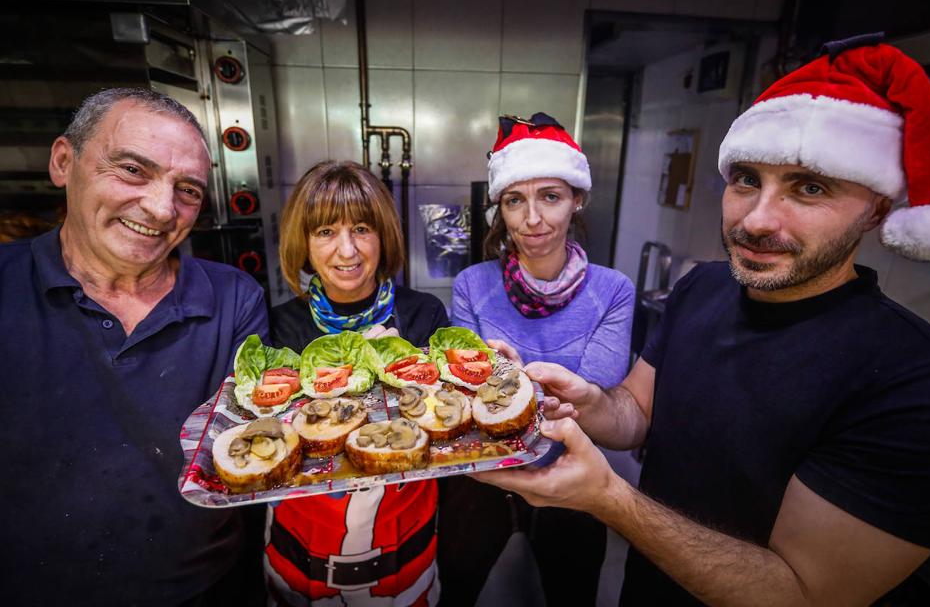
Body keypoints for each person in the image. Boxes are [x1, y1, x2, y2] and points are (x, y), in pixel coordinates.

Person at [474, 40, 930, 605]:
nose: (758, 220)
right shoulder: (703, 288)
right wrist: (591, 402)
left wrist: (609, 499)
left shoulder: (928, 390)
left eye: (809, 187)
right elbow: (638, 414)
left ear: (878, 208)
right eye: (746, 179)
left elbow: (804, 593)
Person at [0, 88, 269, 605]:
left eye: (188, 190)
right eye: (132, 170)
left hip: (209, 588)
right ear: (63, 162)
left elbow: (251, 444)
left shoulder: (234, 298)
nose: (162, 207)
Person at [440, 113, 635, 606]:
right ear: (499, 210)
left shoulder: (613, 292)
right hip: (483, 471)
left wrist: (503, 375)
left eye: (550, 196)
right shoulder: (471, 286)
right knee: (458, 587)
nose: (533, 219)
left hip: (574, 473)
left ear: (577, 199)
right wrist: (480, 378)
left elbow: (592, 390)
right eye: (514, 200)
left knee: (572, 591)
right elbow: (465, 390)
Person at [263, 160, 450, 606]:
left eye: (362, 228)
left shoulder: (425, 315)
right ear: (303, 245)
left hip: (404, 533)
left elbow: (445, 431)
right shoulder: (280, 326)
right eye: (325, 232)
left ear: (383, 236)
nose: (346, 251)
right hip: (303, 540)